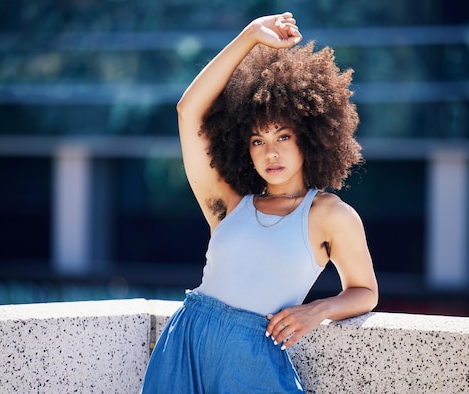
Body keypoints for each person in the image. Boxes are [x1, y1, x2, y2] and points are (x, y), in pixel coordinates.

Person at [141, 12, 378, 393]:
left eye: (282, 137)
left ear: (309, 137)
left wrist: (317, 310)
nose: (271, 152)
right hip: (185, 345)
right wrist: (250, 36)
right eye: (257, 140)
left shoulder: (329, 214)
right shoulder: (228, 205)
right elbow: (188, 112)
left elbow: (365, 291)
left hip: (252, 358)